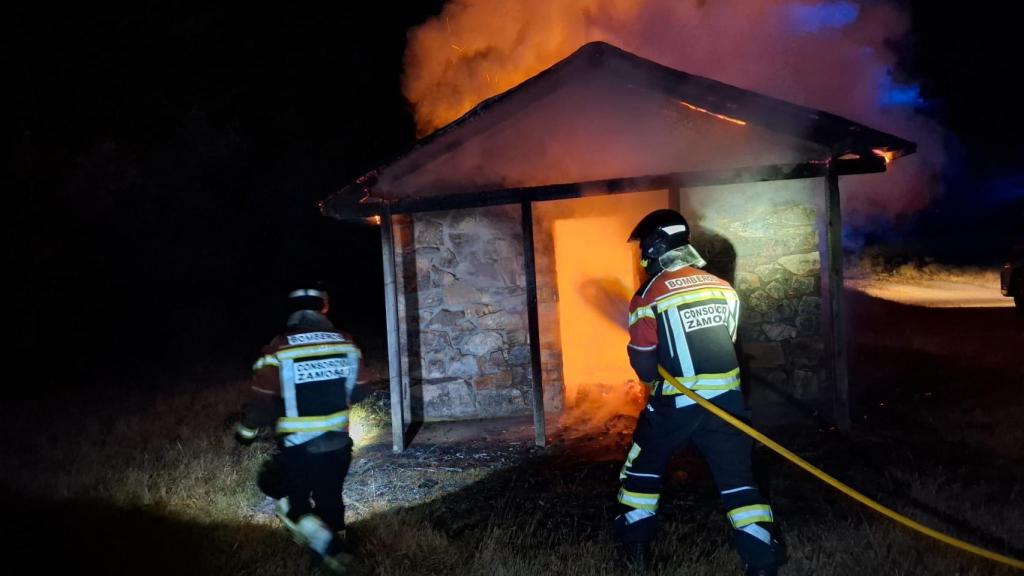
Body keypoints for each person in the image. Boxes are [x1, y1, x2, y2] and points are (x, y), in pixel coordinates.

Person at [614, 209, 784, 575]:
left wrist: (657, 380)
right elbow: (729, 340)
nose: (642, 257)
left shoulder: (647, 296)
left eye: (644, 248)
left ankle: (636, 551)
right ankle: (763, 563)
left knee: (641, 471)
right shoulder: (722, 287)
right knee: (739, 482)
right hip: (727, 405)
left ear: (656, 248)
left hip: (676, 405)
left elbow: (644, 365)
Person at [235, 285, 364, 574]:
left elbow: (260, 401)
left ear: (292, 312)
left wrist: (245, 432)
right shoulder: (346, 343)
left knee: (289, 498)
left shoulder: (278, 347)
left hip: (299, 447)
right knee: (331, 498)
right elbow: (361, 390)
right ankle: (337, 554)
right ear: (324, 308)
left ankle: (329, 548)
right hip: (339, 444)